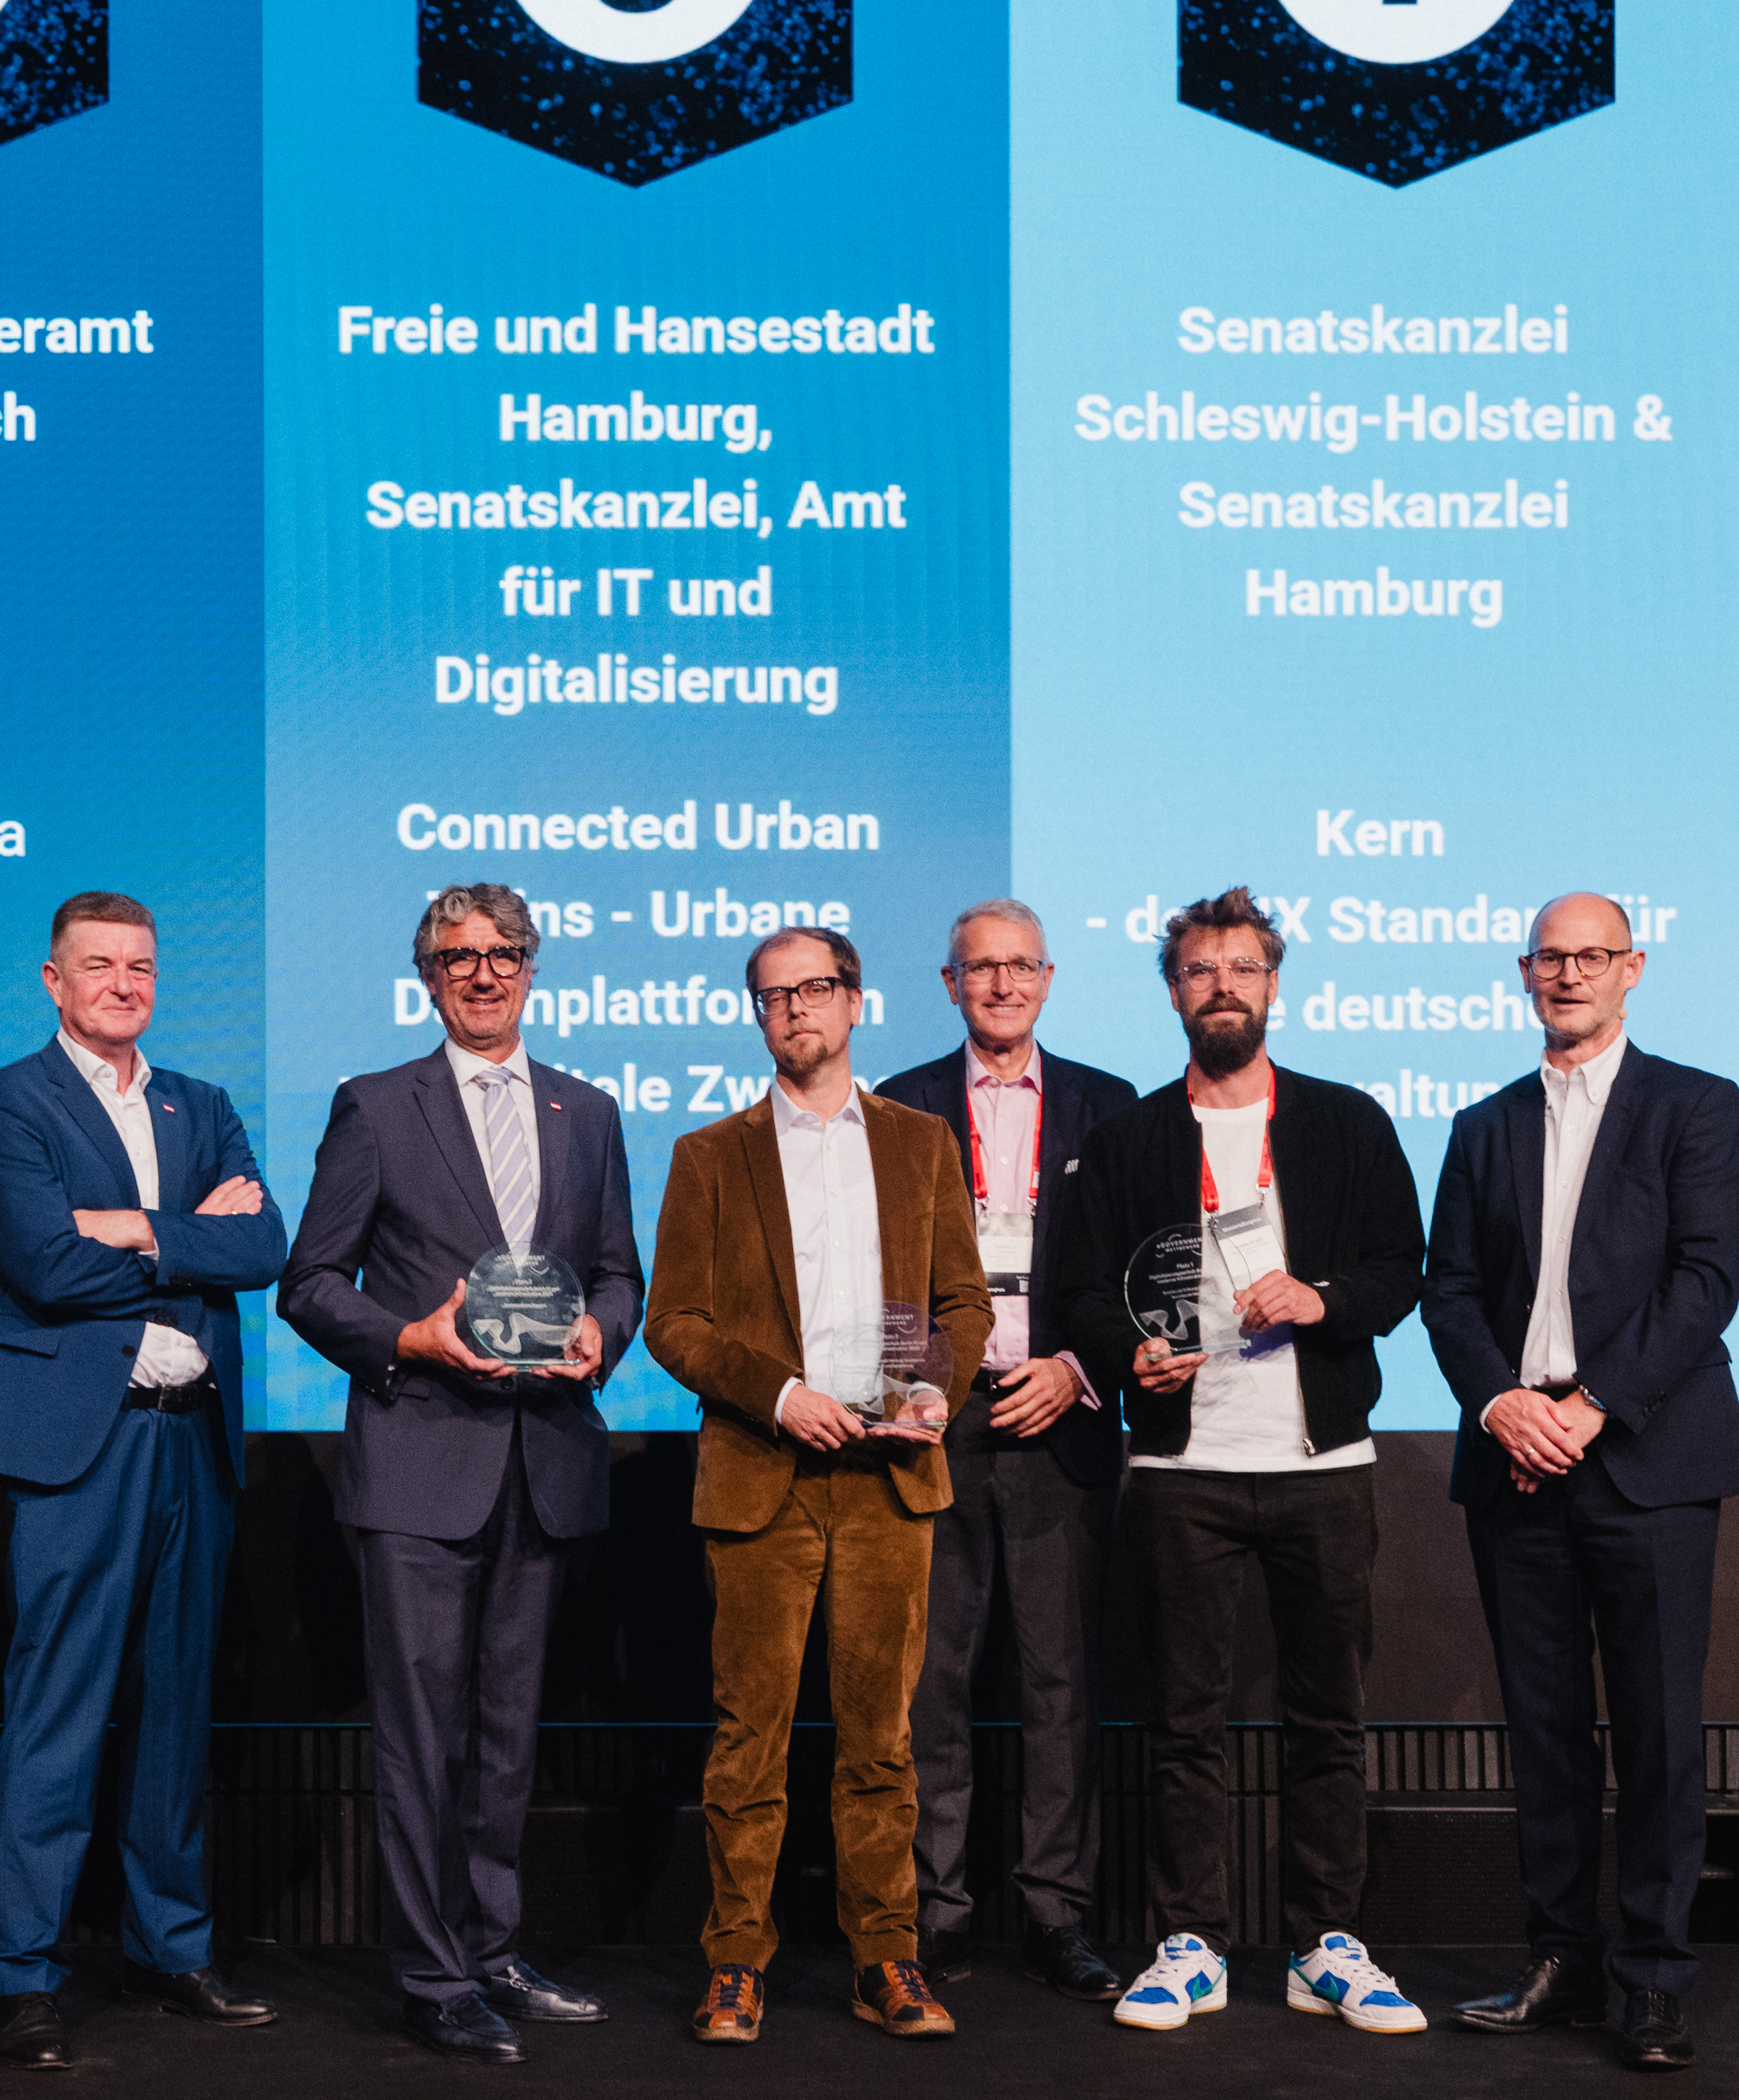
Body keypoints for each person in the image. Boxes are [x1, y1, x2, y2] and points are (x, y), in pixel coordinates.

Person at [277, 884, 647, 2063]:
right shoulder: (377, 1106)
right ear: (427, 976)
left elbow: (618, 1271)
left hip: (547, 1464)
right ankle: (432, 1975)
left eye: (504, 953)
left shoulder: (588, 1112)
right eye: (459, 957)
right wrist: (412, 1338)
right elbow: (310, 1283)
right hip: (421, 1465)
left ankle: (492, 1951)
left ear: (532, 967)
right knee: (420, 1740)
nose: (484, 973)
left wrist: (600, 1331)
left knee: (507, 1738)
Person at [1059, 887, 1429, 2039]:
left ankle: (1329, 1945)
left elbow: (1401, 1268)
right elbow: (1080, 1290)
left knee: (1329, 1718)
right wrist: (1127, 1353)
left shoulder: (1347, 1122)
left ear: (1273, 984)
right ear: (1173, 993)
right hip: (1183, 1471)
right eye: (1200, 971)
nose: (1222, 987)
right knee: (1183, 1719)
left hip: (1325, 1465)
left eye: (1243, 969)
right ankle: (1192, 1944)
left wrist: (1323, 1299)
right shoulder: (1127, 1140)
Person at [0, 892, 290, 2069]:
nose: (123, 984)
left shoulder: (204, 1103)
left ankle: (169, 1949)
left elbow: (265, 1247)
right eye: (99, 965)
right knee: (59, 1709)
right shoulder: (7, 1100)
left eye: (140, 966)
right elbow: (40, 1263)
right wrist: (185, 1231)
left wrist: (130, 1226)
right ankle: (24, 1976)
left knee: (178, 1707)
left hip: (193, 1439)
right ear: (53, 979)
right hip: (80, 1446)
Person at [1425, 894, 1739, 2074]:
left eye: (1592, 956)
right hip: (1516, 1462)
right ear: (1525, 973)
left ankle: (1653, 1980)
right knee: (1545, 1731)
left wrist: (1593, 1402)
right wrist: (1501, 1404)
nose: (1570, 974)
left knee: (1659, 1732)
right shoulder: (1483, 1123)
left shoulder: (1695, 1104)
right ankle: (1560, 1962)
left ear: (1633, 968)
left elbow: (1707, 1279)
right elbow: (1449, 1290)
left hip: (1647, 1458)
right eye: (1550, 958)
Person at [644, 926, 986, 2047]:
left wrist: (928, 1389)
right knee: (750, 1738)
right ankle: (735, 1963)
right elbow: (672, 1322)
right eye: (774, 995)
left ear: (855, 1002)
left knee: (882, 1741)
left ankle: (887, 1958)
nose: (796, 1009)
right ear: (759, 1015)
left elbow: (961, 1302)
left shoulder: (922, 1141)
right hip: (764, 1475)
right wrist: (779, 1394)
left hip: (890, 1479)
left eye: (816, 989)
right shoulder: (709, 1154)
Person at [872, 898, 1138, 2000]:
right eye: (981, 969)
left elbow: (1139, 1271)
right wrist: (914, 1392)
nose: (1002, 985)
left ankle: (1055, 1913)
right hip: (938, 1425)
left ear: (1049, 979)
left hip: (1061, 1418)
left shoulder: (1110, 1108)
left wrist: (1078, 1367)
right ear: (950, 984)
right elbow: (881, 1274)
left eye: (1021, 967)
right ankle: (937, 1912)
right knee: (930, 1684)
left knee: (1060, 1685)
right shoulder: (899, 1104)